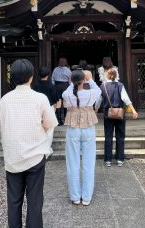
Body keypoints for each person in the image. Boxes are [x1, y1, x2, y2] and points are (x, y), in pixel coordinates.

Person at [0, 59, 58, 228]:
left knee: (14, 200)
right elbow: (50, 124)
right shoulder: (40, 98)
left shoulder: (4, 100)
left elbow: (1, 126)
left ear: (12, 77)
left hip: (13, 156)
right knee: (35, 200)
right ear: (31, 77)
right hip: (35, 155)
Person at [62, 70, 101, 206]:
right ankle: (86, 197)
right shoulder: (91, 93)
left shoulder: (68, 94)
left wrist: (72, 81)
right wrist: (89, 79)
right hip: (88, 128)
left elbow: (66, 92)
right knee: (89, 163)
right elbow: (98, 90)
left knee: (72, 162)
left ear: (72, 81)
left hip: (73, 129)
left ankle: (75, 197)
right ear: (83, 80)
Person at [95, 68, 138, 167]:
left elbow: (98, 101)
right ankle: (119, 159)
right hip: (119, 113)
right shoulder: (120, 85)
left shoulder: (103, 86)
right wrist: (133, 110)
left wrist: (96, 110)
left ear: (106, 75)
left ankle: (108, 160)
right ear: (116, 75)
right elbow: (126, 99)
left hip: (108, 113)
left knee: (108, 136)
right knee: (120, 136)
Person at [52, 57, 72, 125]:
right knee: (66, 103)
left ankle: (59, 120)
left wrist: (54, 86)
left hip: (57, 86)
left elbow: (52, 79)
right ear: (65, 62)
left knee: (58, 103)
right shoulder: (68, 70)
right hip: (65, 86)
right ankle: (66, 120)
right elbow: (70, 80)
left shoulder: (55, 69)